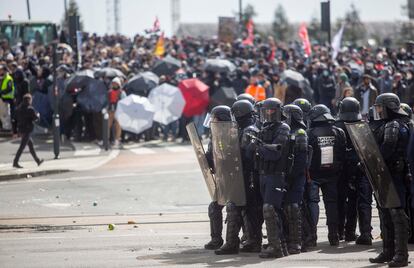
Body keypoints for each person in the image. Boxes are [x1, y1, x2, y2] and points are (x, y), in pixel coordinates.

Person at [369, 93, 410, 267]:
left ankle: (401, 255)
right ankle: (388, 251)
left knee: (397, 213)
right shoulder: (387, 124)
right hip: (386, 174)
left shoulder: (394, 125)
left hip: (394, 174)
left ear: (389, 107)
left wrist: (374, 161)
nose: (378, 110)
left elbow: (387, 148)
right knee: (385, 212)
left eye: (380, 106)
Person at [256, 98, 291, 258]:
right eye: (266, 110)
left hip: (276, 175)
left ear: (278, 111)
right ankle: (279, 245)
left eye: (271, 110)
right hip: (263, 174)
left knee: (270, 209)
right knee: (270, 210)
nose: (269, 113)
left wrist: (258, 148)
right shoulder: (263, 128)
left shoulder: (283, 128)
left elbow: (275, 153)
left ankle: (276, 247)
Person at [335, 97, 373, 245]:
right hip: (360, 168)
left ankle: (343, 231)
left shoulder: (337, 126)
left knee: (343, 200)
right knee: (362, 201)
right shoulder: (363, 126)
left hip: (343, 169)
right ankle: (365, 232)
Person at [306, 104, 346, 246]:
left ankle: (312, 236)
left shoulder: (309, 133)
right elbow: (342, 153)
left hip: (313, 175)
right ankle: (333, 235)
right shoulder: (338, 131)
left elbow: (306, 156)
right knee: (332, 204)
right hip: (332, 175)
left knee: (313, 203)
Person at [231, 100, 263, 253]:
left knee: (251, 209)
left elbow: (247, 155)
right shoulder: (246, 128)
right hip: (245, 174)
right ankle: (251, 239)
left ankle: (254, 241)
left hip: (249, 175)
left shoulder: (249, 130)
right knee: (247, 209)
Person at [282, 104, 309, 254]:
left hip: (296, 177)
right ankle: (286, 239)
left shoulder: (300, 133)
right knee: (285, 208)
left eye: (286, 114)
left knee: (294, 208)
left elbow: (301, 161)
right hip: (285, 176)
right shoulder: (285, 131)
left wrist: (291, 176)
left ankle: (298, 242)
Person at [13, 94, 43, 168]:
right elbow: (35, 119)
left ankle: (37, 160)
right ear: (29, 100)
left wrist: (15, 131)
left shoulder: (18, 109)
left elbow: (14, 120)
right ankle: (15, 162)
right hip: (27, 130)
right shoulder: (30, 109)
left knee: (31, 145)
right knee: (22, 147)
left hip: (21, 129)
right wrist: (38, 115)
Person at [107, 77, 125, 146]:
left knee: (118, 125)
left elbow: (124, 101)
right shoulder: (109, 92)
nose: (114, 85)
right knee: (108, 125)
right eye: (113, 83)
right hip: (111, 110)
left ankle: (117, 139)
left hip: (118, 110)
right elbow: (107, 100)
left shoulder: (121, 92)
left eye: (116, 83)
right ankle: (107, 139)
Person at [0, 65, 15, 131]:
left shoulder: (8, 78)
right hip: (3, 98)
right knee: (3, 113)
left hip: (7, 98)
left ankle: (7, 127)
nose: (1, 71)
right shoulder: (3, 78)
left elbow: (9, 88)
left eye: (2, 70)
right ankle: (5, 126)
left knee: (6, 113)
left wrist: (1, 92)